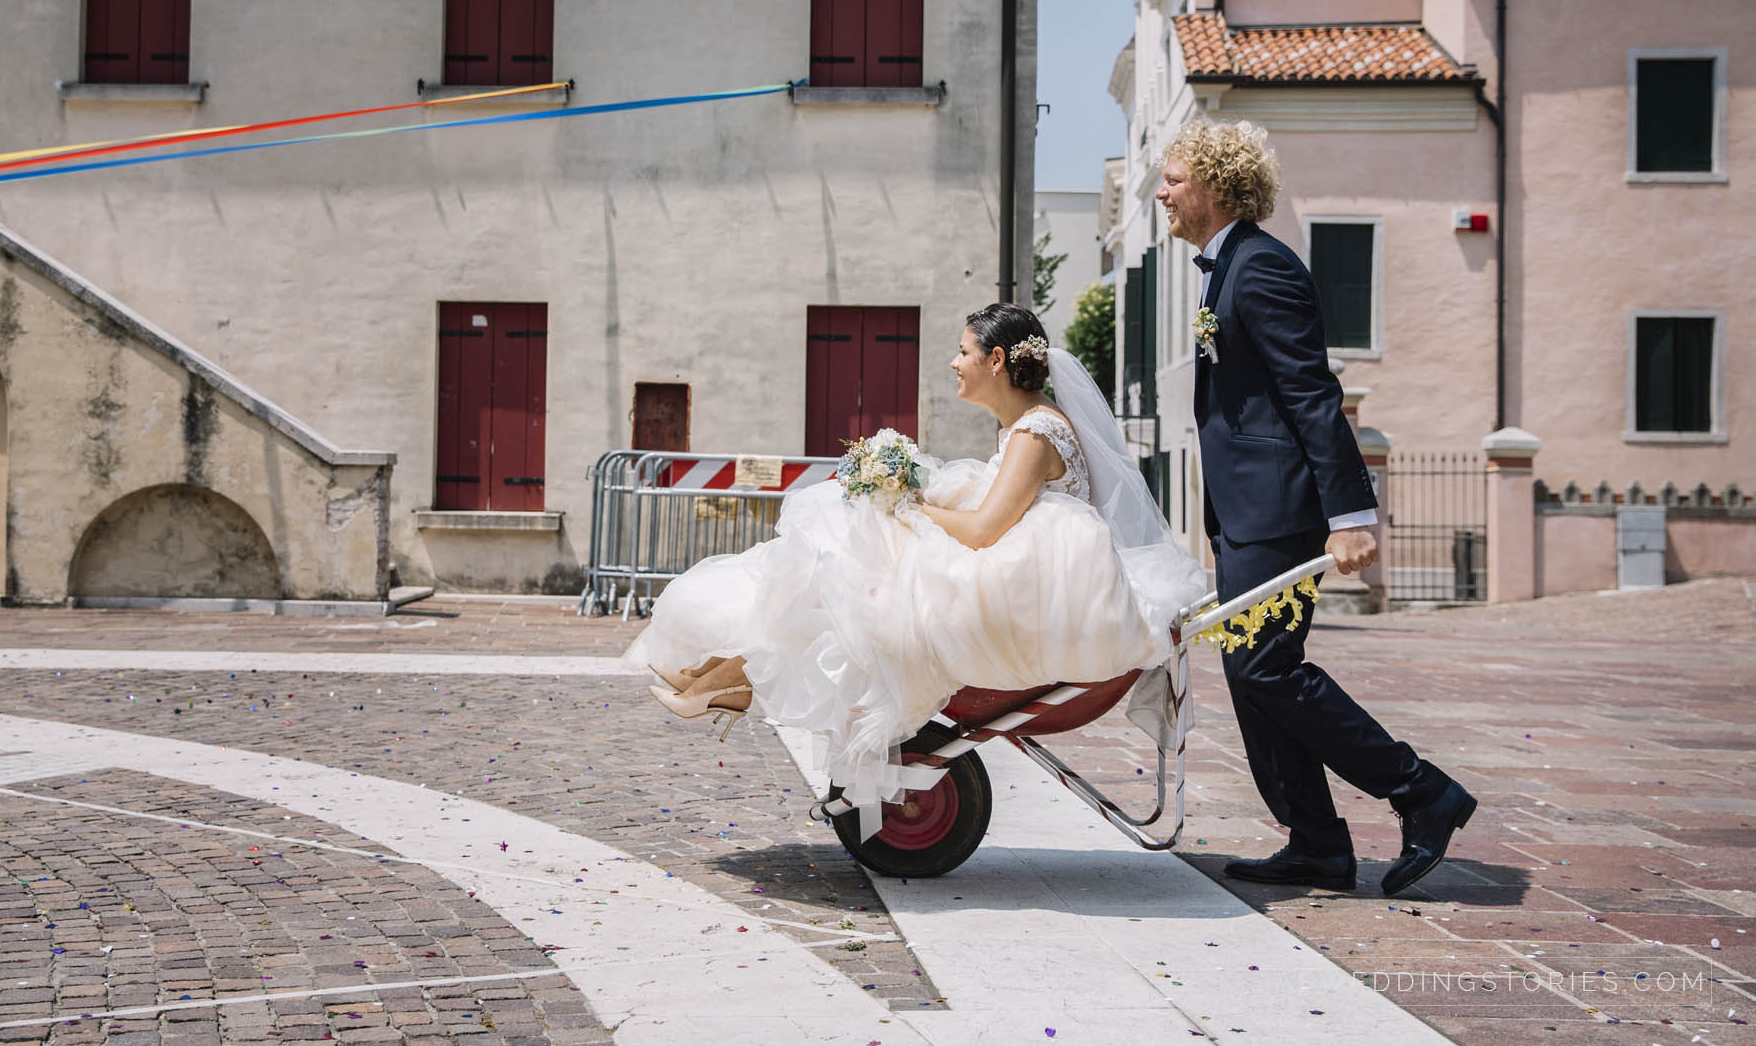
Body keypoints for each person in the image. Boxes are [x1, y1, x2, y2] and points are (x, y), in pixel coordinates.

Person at [625, 302, 1207, 838]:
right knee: (849, 559)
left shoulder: (1035, 432)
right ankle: (728, 673)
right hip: (1023, 578)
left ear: (997, 361)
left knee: (858, 568)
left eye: (963, 351)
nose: (954, 363)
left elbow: (984, 530)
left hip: (1029, 592)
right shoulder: (1026, 426)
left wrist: (908, 506)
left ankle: (734, 678)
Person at [1156, 118, 1476, 897]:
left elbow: (1311, 394)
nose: (1159, 191)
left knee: (1266, 666)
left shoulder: (1261, 268)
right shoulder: (1225, 266)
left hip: (1280, 510)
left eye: (1172, 177)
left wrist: (1351, 514)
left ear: (1218, 185)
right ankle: (1317, 842)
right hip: (1245, 512)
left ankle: (1421, 791)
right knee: (1250, 673)